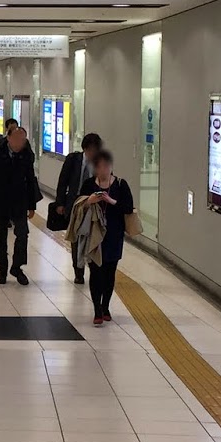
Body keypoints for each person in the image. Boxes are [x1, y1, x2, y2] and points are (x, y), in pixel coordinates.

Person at [76, 149, 135, 324]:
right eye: (99, 166)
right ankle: (97, 309)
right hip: (94, 235)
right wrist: (89, 200)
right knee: (96, 272)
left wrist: (111, 201)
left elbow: (128, 208)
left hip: (114, 235)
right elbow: (78, 205)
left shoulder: (120, 185)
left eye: (106, 166)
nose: (103, 170)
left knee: (109, 272)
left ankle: (106, 306)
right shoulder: (89, 185)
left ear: (111, 167)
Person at [0, 125, 41, 284]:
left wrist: (32, 205)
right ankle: (2, 270)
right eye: (18, 139)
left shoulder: (26, 155)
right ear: (8, 138)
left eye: (23, 140)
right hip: (0, 201)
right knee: (1, 237)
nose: (21, 142)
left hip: (19, 201)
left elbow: (30, 179)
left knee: (22, 234)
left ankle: (17, 267)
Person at [53, 133, 103, 284]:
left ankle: (94, 269)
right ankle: (78, 271)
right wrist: (60, 203)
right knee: (76, 239)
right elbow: (63, 182)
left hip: (94, 207)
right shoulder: (73, 160)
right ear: (85, 149)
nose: (93, 154)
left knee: (93, 238)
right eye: (90, 150)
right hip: (75, 206)